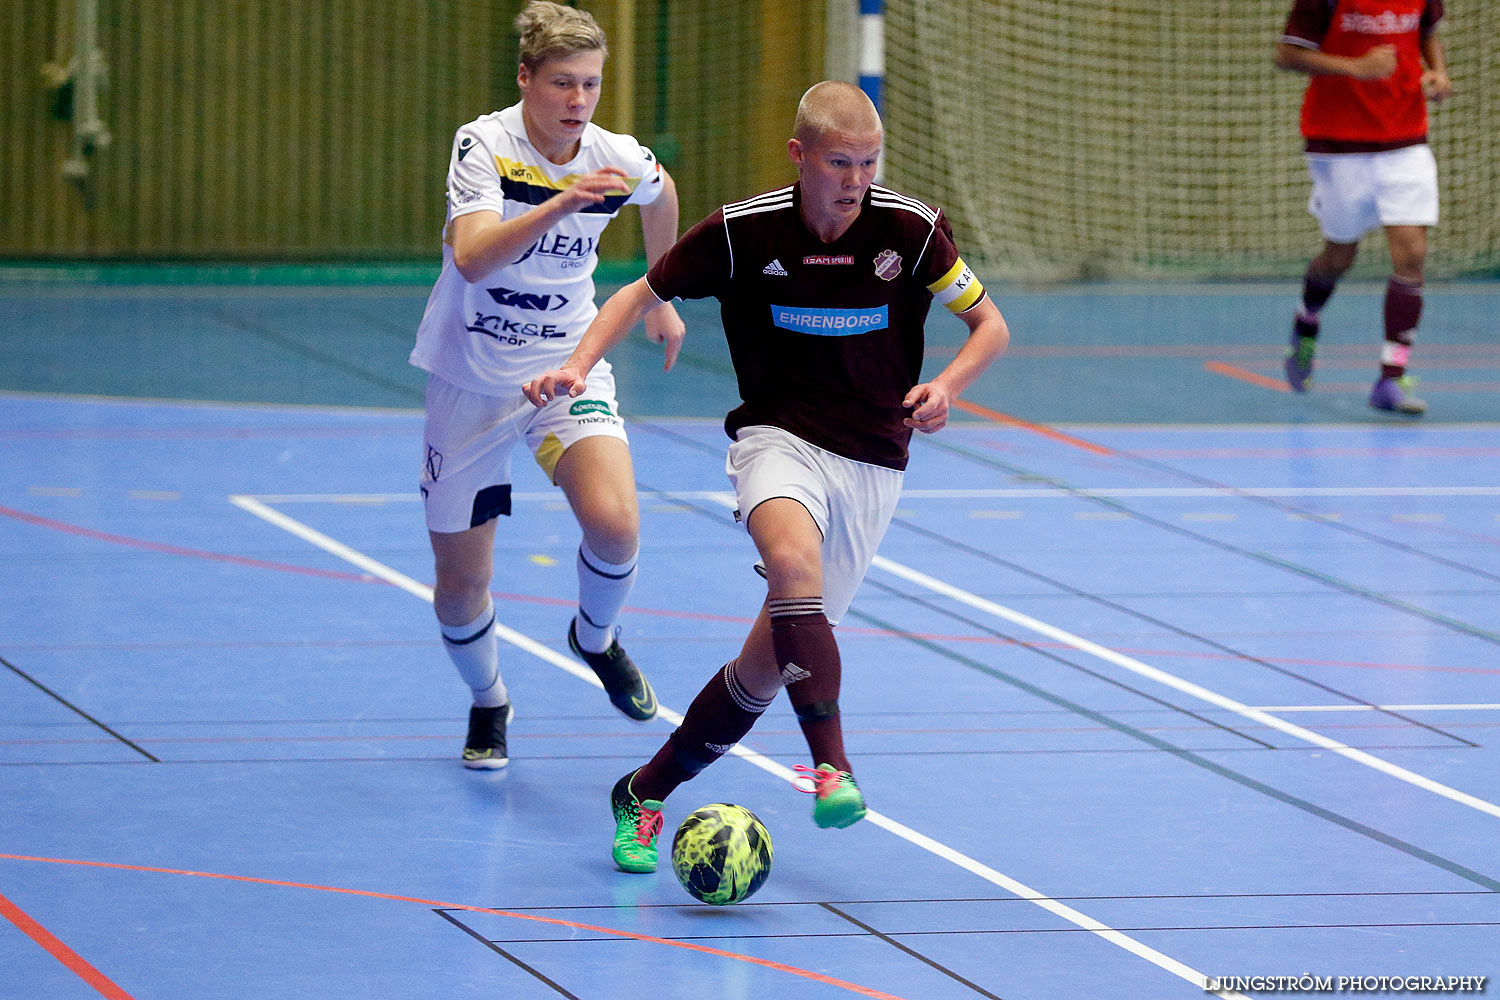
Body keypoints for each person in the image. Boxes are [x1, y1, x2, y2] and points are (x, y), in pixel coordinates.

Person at [524, 81, 1009, 873]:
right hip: (776, 440)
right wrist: (578, 366)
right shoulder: (743, 233)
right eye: (839, 162)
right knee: (790, 565)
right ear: (800, 157)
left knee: (763, 668)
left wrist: (947, 386)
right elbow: (636, 293)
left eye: (868, 163)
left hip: (874, 460)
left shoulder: (911, 232)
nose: (855, 179)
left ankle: (642, 793)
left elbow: (989, 325)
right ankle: (833, 767)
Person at [409, 1, 685, 770]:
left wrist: (659, 297)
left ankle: (594, 640)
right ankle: (489, 701)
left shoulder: (616, 156)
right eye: (562, 83)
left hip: (568, 362)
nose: (577, 102)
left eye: (591, 86)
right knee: (462, 584)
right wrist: (563, 200)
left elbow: (663, 197)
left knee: (616, 525)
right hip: (472, 380)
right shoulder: (484, 146)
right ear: (526, 78)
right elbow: (471, 258)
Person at [1276, 0, 1451, 415]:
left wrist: (1437, 72)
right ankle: (1306, 322)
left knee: (1412, 255)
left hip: (1406, 139)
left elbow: (1426, 32)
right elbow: (1287, 54)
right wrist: (1356, 67)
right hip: (1338, 144)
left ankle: (1391, 378)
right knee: (1339, 254)